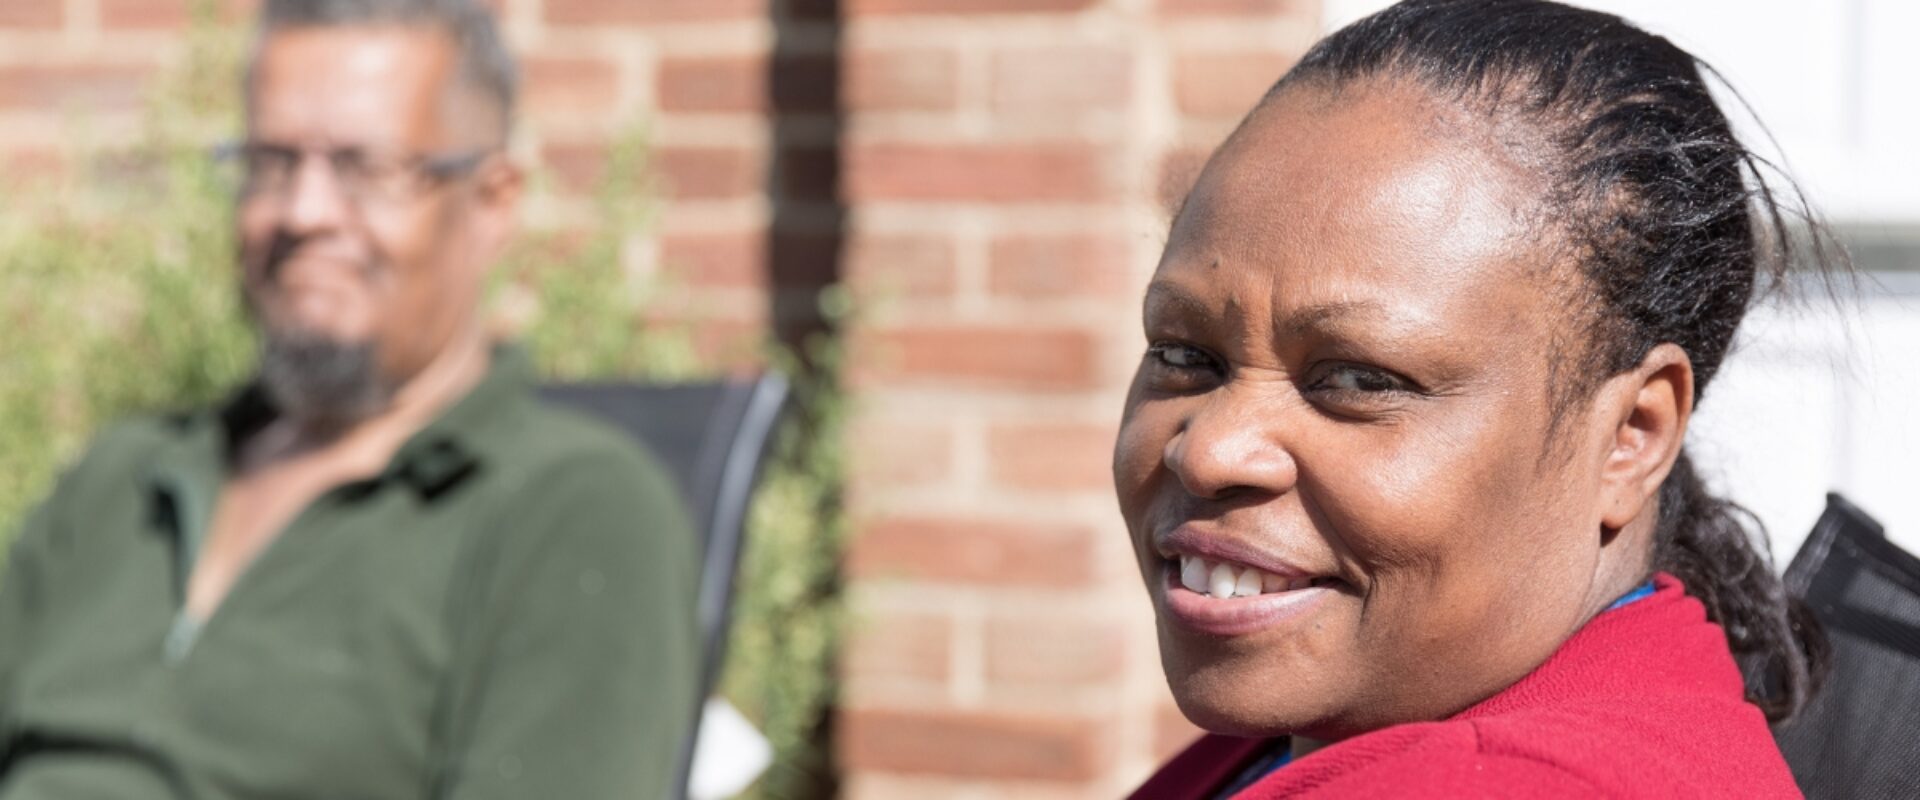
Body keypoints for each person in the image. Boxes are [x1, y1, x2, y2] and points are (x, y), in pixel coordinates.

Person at [1116, 1, 1832, 797]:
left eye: (1357, 380)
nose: (1208, 450)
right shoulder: (1331, 731)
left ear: (1632, 433)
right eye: (1184, 355)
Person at [0, 1, 698, 797]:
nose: (304, 213)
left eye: (367, 170)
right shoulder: (124, 482)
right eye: (271, 164)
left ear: (492, 201)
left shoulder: (569, 510)